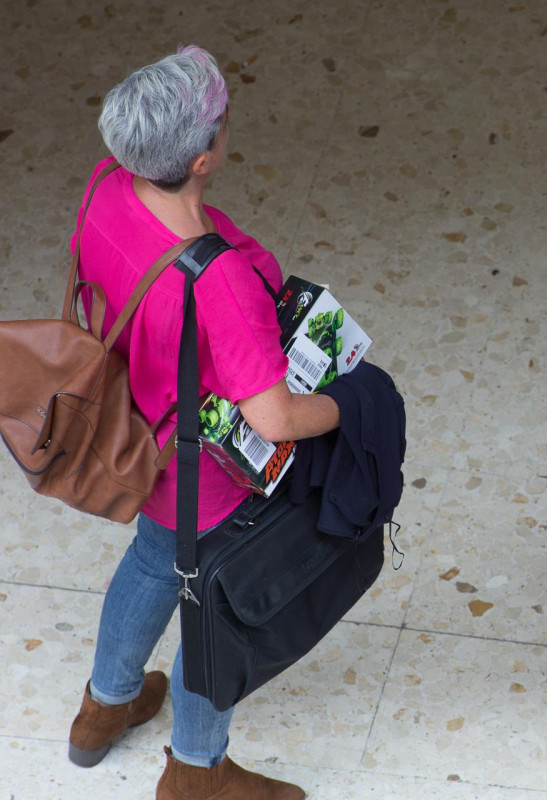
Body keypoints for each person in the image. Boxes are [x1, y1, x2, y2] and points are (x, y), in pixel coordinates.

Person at [66, 46, 339, 800]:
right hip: (205, 480)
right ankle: (197, 769)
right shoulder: (216, 278)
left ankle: (102, 709)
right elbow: (275, 415)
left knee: (153, 560)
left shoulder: (104, 186)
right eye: (221, 124)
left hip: (134, 437)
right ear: (201, 160)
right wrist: (349, 404)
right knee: (211, 609)